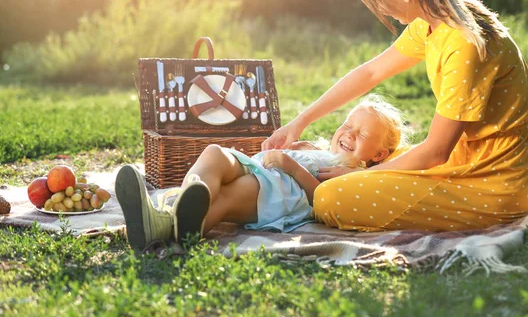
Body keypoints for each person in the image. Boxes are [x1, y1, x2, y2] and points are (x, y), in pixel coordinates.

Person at [261, 0, 528, 232]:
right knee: (379, 158)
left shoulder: (463, 41)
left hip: (493, 185)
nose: (379, 10)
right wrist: (300, 122)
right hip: (459, 162)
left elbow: (435, 151)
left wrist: (358, 179)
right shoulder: (433, 20)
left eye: (377, 2)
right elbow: (371, 73)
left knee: (330, 197)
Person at [115, 95, 410, 250]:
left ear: (379, 155)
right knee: (214, 153)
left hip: (278, 193)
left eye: (362, 135)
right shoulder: (320, 149)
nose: (348, 134)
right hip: (258, 167)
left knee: (227, 198)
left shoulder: (354, 174)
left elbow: (321, 196)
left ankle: (169, 226)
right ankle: (182, 205)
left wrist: (291, 164)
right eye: (347, 125)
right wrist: (294, 149)